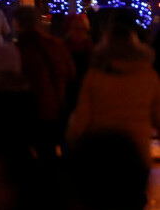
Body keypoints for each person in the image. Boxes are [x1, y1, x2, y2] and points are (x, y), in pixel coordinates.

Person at [67, 18, 160, 164]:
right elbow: (157, 115)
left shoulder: (95, 76)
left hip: (102, 148)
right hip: (138, 150)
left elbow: (82, 117)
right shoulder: (148, 76)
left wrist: (72, 141)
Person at [14, 6, 75, 161]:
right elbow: (71, 75)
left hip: (29, 109)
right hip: (55, 107)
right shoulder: (56, 45)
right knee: (49, 155)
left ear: (16, 23)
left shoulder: (18, 49)